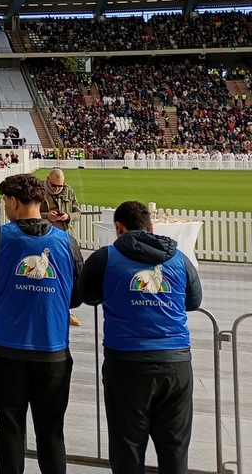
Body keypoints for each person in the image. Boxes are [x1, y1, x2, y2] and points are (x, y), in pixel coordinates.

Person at [79, 201, 202, 474]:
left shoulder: (104, 257)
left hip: (126, 361)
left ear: (119, 227)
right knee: (174, 449)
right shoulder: (179, 258)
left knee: (127, 448)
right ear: (151, 226)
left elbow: (87, 296)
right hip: (175, 360)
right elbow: (193, 301)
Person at [0, 173, 84, 474]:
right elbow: (76, 295)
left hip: (6, 347)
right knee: (51, 433)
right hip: (52, 349)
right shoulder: (66, 242)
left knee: (10, 429)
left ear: (12, 202)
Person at [40, 167, 83, 326]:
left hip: (65, 240)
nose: (57, 189)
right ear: (47, 180)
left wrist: (68, 216)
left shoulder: (69, 191)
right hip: (45, 240)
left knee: (66, 276)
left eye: (60, 186)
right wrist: (46, 216)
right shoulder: (38, 191)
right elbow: (30, 212)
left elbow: (78, 212)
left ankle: (67, 310)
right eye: (54, 186)